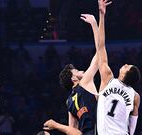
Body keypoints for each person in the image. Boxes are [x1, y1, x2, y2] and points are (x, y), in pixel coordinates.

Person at [44, 4, 103, 135]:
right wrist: (94, 24)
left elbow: (72, 131)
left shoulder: (69, 102)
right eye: (76, 71)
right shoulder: (85, 82)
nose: (80, 70)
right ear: (73, 78)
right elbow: (100, 54)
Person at [95, 0, 141, 135]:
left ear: (126, 74)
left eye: (127, 66)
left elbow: (101, 46)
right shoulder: (135, 96)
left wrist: (101, 16)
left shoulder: (108, 79)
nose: (125, 64)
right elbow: (133, 125)